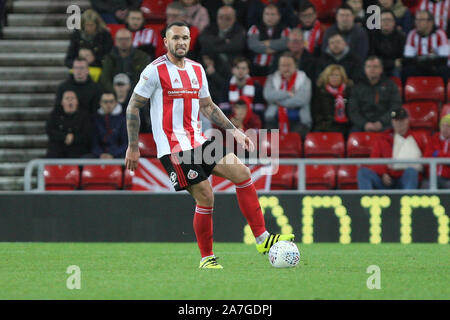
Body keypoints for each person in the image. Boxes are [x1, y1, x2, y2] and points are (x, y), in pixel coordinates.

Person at [124, 21, 294, 269]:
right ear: (166, 42)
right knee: (206, 196)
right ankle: (207, 258)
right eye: (175, 38)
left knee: (242, 173)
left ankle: (262, 239)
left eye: (185, 38)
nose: (181, 42)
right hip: (175, 148)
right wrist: (133, 146)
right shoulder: (153, 71)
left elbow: (208, 106)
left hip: (200, 141)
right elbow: (133, 106)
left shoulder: (196, 69)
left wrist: (234, 132)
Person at [357, 107, 428, 190]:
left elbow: (426, 159)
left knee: (411, 171)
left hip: (405, 178)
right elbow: (374, 159)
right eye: (396, 120)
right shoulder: (383, 138)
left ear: (407, 120)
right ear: (392, 122)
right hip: (386, 180)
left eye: (401, 120)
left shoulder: (417, 138)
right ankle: (366, 201)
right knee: (363, 172)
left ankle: (407, 201)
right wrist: (383, 173)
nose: (399, 123)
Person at [263, 51, 312, 138]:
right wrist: (288, 94)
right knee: (269, 142)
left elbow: (301, 100)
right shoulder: (271, 78)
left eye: (289, 65)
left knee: (294, 141)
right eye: (283, 65)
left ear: (295, 65)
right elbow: (268, 95)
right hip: (274, 119)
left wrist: (277, 101)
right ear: (279, 66)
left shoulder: (304, 79)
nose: (286, 68)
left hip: (299, 120)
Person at [348, 56, 402, 132]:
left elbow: (395, 108)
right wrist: (364, 124)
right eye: (369, 67)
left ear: (381, 69)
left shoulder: (391, 86)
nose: (372, 69)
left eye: (375, 66)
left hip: (386, 125)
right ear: (365, 69)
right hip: (361, 126)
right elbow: (352, 111)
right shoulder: (357, 88)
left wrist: (382, 122)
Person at [402, 10, 449, 83]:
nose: (417, 22)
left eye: (421, 20)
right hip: (418, 68)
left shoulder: (440, 34)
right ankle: (406, 93)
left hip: (435, 67)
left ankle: (445, 93)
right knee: (406, 70)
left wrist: (422, 60)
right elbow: (408, 58)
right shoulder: (412, 34)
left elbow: (444, 58)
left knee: (444, 70)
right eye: (416, 19)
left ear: (430, 22)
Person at [99, 28, 151, 92]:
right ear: (115, 40)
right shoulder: (109, 57)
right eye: (120, 39)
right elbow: (105, 79)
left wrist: (131, 92)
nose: (123, 42)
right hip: (114, 94)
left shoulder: (142, 57)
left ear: (132, 40)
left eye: (127, 39)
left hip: (135, 94)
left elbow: (145, 78)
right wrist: (115, 92)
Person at [198, 5, 247, 70]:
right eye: (221, 17)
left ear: (234, 18)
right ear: (217, 17)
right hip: (211, 64)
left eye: (228, 18)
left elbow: (236, 46)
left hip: (231, 66)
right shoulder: (210, 28)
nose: (224, 20)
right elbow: (203, 40)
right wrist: (224, 41)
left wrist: (212, 47)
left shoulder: (239, 30)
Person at [247, 4, 290, 76]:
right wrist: (274, 48)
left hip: (276, 70)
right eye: (266, 14)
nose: (269, 17)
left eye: (272, 14)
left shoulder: (285, 29)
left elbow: (284, 44)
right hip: (255, 69)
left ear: (279, 16)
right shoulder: (254, 28)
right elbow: (253, 45)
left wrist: (264, 44)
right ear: (263, 16)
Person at [46, 91, 92, 158]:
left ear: (77, 102)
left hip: (78, 151)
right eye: (67, 98)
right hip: (58, 150)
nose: (70, 101)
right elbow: (49, 130)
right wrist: (64, 137)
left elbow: (87, 134)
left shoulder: (84, 116)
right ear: (62, 102)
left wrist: (74, 138)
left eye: (72, 98)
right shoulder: (55, 115)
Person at [218, 56, 266, 121]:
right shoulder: (226, 86)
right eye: (237, 68)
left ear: (248, 70)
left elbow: (259, 109)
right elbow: (223, 108)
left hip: (251, 121)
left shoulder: (256, 87)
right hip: (231, 121)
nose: (240, 71)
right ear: (233, 70)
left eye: (243, 68)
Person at [312, 64, 353, 137]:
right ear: (326, 77)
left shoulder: (349, 91)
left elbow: (352, 111)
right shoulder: (320, 92)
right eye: (331, 75)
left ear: (342, 77)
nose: (334, 78)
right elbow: (316, 113)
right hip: (326, 125)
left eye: (337, 75)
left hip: (345, 125)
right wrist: (326, 125)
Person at [368, 9, 406, 77]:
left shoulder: (401, 36)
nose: (386, 22)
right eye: (383, 20)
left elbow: (401, 59)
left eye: (389, 20)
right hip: (377, 66)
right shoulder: (372, 36)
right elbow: (372, 57)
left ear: (394, 22)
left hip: (395, 68)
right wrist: (392, 63)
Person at [92, 92, 128, 159]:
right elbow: (93, 143)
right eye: (105, 102)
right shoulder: (95, 119)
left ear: (116, 103)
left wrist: (113, 154)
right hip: (99, 155)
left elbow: (126, 143)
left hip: (118, 155)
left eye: (111, 102)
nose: (108, 104)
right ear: (100, 103)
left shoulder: (123, 120)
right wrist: (100, 154)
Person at [422, 114, 450, 189]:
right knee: (425, 187)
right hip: (431, 178)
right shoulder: (433, 139)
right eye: (443, 126)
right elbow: (426, 157)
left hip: (448, 179)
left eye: (448, 126)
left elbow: (433, 154)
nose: (445, 129)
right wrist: (445, 158)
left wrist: (437, 153)